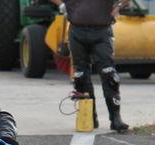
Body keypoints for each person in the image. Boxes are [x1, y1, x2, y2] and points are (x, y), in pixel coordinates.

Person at [52, 0, 130, 132]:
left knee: (109, 74)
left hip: (102, 31)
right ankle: (89, 117)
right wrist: (61, 4)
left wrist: (120, 5)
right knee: (80, 76)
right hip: (77, 30)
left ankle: (115, 118)